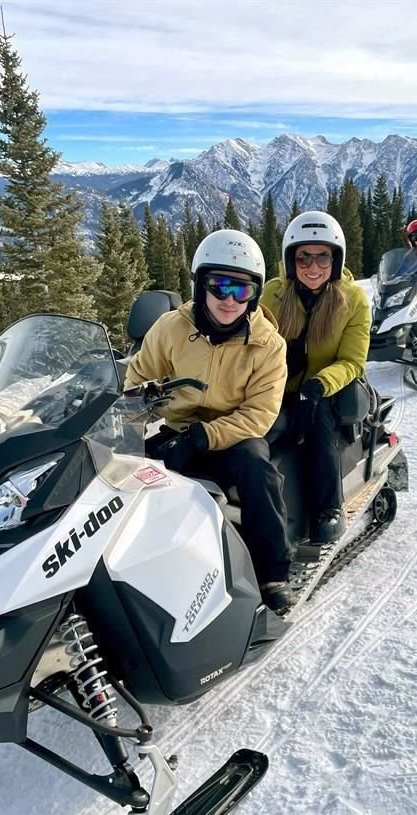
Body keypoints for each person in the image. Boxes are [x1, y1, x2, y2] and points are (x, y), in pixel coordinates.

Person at [124, 229, 293, 611]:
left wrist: (204, 437)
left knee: (257, 470)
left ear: (255, 294)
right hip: (175, 429)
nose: (229, 301)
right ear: (200, 285)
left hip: (234, 433)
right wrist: (128, 422)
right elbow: (136, 381)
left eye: (242, 290)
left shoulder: (268, 345)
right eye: (219, 286)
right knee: (120, 474)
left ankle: (272, 573)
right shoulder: (171, 328)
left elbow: (259, 414)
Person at [260, 210, 370, 545]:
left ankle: (328, 508)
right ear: (290, 260)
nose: (313, 267)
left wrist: (319, 383)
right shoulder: (273, 294)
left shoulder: (352, 300)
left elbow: (352, 361)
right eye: (303, 257)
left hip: (335, 388)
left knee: (318, 417)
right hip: (283, 385)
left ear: (335, 259)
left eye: (322, 257)